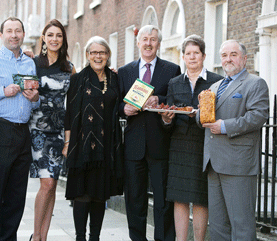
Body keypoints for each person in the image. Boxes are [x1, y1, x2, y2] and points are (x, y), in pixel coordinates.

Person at [0, 16, 40, 241]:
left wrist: (35, 97)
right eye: (9, 31)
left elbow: (36, 100)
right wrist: (3, 91)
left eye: (18, 31)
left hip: (23, 133)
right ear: (1, 35)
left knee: (16, 195)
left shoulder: (29, 63)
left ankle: (9, 238)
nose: (14, 35)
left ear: (23, 34)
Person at [197, 39, 269, 240]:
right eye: (224, 55)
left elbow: (258, 117)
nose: (228, 59)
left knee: (242, 227)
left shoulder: (255, 83)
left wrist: (225, 126)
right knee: (218, 227)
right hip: (213, 163)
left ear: (244, 59)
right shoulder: (214, 86)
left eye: (233, 54)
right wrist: (198, 109)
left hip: (239, 165)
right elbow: (204, 117)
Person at [118, 25, 181, 241]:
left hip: (160, 144)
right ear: (138, 43)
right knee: (134, 199)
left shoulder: (172, 69)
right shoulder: (125, 71)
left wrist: (161, 100)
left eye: (153, 39)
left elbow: (176, 101)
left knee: (163, 200)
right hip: (133, 146)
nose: (148, 43)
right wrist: (124, 109)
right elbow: (117, 104)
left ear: (158, 44)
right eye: (144, 39)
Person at [160, 35, 222, 241]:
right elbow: (168, 116)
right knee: (179, 197)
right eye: (188, 53)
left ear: (204, 56)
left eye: (196, 53)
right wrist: (167, 119)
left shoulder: (216, 81)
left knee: (200, 198)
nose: (192, 57)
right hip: (179, 144)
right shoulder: (174, 82)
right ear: (183, 57)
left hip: (204, 144)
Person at [63, 36, 123, 241]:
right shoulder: (77, 79)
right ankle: (80, 237)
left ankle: (94, 237)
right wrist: (67, 143)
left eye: (102, 52)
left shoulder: (115, 78)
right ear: (87, 55)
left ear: (108, 56)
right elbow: (69, 114)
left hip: (106, 145)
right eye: (94, 52)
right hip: (81, 145)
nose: (98, 56)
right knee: (82, 194)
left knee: (99, 194)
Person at [28, 19, 75, 241]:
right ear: (44, 39)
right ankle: (36, 236)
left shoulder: (69, 67)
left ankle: (43, 237)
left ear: (63, 39)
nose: (55, 39)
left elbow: (73, 106)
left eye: (59, 35)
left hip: (58, 131)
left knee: (53, 183)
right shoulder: (33, 63)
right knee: (46, 183)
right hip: (36, 129)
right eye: (51, 35)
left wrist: (67, 140)